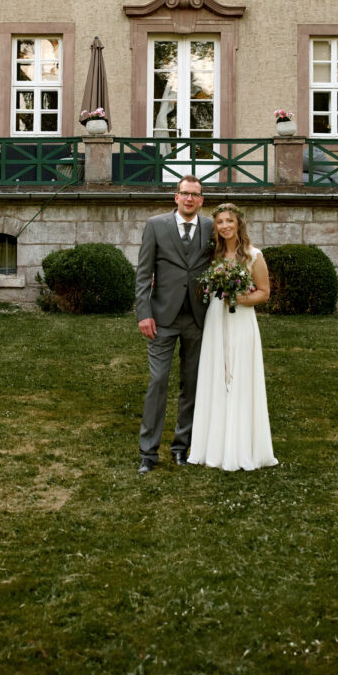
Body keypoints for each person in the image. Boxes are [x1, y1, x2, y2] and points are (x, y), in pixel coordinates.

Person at [188, 203, 277, 471]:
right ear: (215, 226)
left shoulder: (252, 255)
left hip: (240, 318)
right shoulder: (212, 257)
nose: (225, 226)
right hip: (216, 318)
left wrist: (239, 297)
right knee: (216, 374)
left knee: (239, 376)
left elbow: (264, 292)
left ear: (239, 224)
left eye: (230, 221)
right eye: (220, 222)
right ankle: (212, 445)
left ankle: (240, 447)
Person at [133, 174, 211, 473]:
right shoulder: (156, 225)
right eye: (184, 193)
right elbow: (143, 272)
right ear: (175, 197)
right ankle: (148, 454)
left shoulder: (209, 227)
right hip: (161, 318)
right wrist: (144, 313)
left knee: (191, 385)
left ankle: (181, 447)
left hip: (197, 318)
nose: (189, 198)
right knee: (158, 382)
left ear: (201, 200)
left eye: (195, 194)